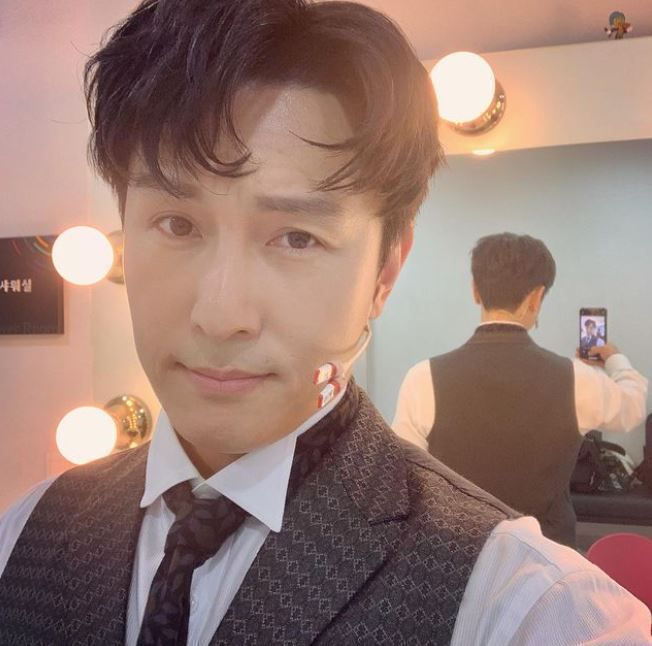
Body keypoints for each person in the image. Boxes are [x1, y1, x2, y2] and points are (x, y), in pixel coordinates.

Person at [0, 2, 650, 644]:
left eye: (297, 238)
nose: (221, 316)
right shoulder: (25, 533)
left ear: (384, 273)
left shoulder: (530, 610)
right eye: (176, 224)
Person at [393, 233, 648, 549]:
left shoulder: (422, 378)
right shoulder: (577, 379)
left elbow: (405, 481)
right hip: (548, 560)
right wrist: (614, 359)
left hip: (458, 558)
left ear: (475, 290)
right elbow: (634, 404)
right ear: (536, 297)